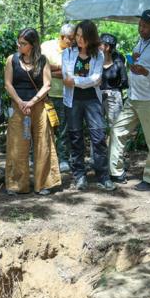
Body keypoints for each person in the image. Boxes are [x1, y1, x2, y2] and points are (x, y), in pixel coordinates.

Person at [108, 9, 150, 191]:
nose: (141, 29)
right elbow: (138, 66)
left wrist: (147, 72)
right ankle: (116, 172)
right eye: (139, 25)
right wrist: (133, 63)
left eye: (145, 26)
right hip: (133, 98)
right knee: (117, 131)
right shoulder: (140, 43)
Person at [4, 28, 61, 195]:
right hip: (18, 107)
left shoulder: (42, 61)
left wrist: (32, 101)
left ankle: (43, 184)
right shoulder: (12, 60)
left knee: (43, 144)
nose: (19, 46)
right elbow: (8, 84)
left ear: (32, 45)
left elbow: (47, 84)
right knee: (17, 145)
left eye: (23, 43)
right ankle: (17, 184)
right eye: (18, 42)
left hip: (39, 107)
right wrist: (21, 102)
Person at [62, 20, 113, 191]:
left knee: (98, 138)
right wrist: (85, 81)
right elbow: (66, 77)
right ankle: (80, 176)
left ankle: (103, 176)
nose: (79, 39)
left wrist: (76, 81)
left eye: (83, 36)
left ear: (91, 37)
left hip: (92, 100)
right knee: (75, 138)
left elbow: (96, 79)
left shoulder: (98, 55)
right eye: (77, 35)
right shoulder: (68, 53)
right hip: (73, 101)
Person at [42, 24, 76, 173]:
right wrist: (60, 70)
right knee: (45, 128)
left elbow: (73, 72)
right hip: (47, 94)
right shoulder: (47, 47)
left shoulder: (75, 49)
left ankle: (63, 159)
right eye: (70, 39)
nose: (72, 42)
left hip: (66, 96)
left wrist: (52, 69)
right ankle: (44, 158)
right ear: (62, 37)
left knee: (63, 129)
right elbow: (41, 67)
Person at [99, 33, 128, 125]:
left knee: (115, 126)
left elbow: (125, 81)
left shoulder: (118, 63)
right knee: (97, 126)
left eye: (100, 44)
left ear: (107, 47)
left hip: (114, 96)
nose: (97, 46)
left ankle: (112, 140)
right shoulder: (94, 61)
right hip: (97, 96)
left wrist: (114, 89)